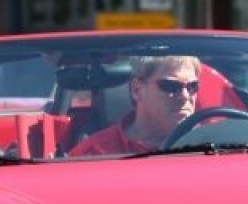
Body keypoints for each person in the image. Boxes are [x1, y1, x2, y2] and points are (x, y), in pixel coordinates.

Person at [71, 55, 203, 156]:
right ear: (137, 90)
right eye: (171, 86)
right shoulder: (93, 153)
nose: (185, 96)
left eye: (192, 86)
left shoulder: (213, 144)